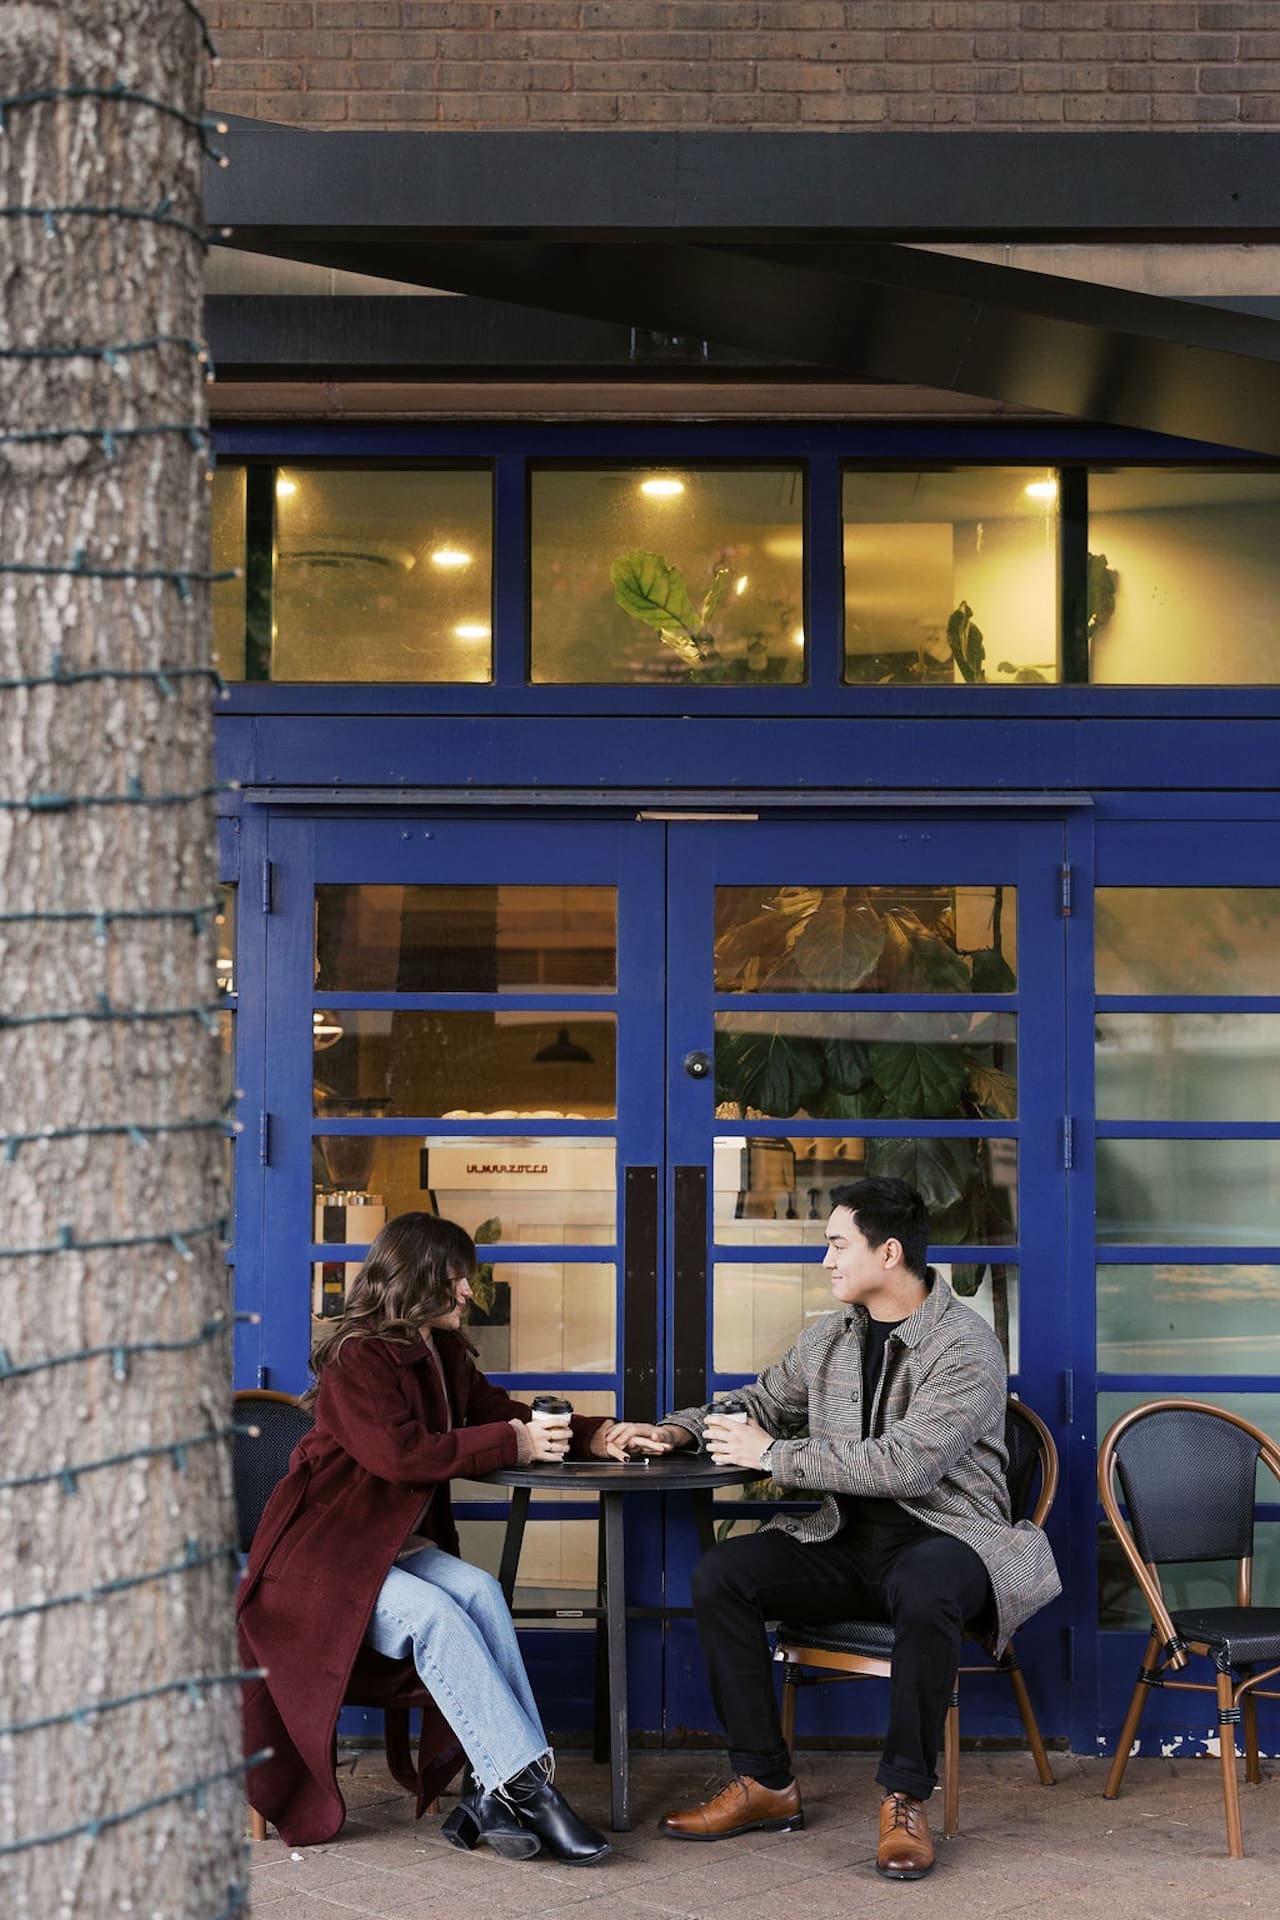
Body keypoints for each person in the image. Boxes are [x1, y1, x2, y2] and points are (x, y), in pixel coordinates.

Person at [611, 1176, 1061, 1881]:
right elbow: (761, 1400)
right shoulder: (829, 1338)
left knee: (928, 1585)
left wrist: (772, 1455)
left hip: (951, 1541)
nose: (826, 1259)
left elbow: (909, 1465)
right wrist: (677, 1430)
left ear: (888, 1253)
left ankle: (905, 1798)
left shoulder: (966, 1347)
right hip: (846, 1542)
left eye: (836, 1243)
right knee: (722, 1575)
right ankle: (764, 1782)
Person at [238, 1210, 627, 1861]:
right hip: (321, 1560)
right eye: (458, 1278)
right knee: (439, 1617)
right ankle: (529, 1793)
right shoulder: (355, 1357)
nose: (470, 1292)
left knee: (480, 1591)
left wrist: (592, 1432)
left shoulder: (439, 1352)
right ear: (420, 1277)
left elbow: (497, 1414)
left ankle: (491, 1787)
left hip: (384, 1550)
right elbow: (402, 1455)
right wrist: (513, 1442)